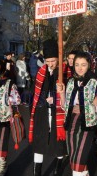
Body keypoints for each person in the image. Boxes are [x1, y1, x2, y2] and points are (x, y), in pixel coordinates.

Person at [57, 52, 97, 176]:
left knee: (79, 157)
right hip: (71, 122)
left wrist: (96, 101)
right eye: (77, 65)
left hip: (87, 123)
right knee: (73, 156)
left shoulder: (95, 83)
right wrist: (62, 93)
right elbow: (64, 106)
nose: (80, 68)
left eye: (83, 65)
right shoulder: (70, 81)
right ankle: (84, 172)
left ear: (89, 65)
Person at [29, 39, 67, 176]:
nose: (50, 64)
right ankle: (37, 172)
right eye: (48, 61)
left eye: (53, 61)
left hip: (59, 112)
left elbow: (68, 94)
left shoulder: (65, 72)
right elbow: (34, 92)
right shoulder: (40, 73)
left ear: (58, 59)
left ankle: (58, 167)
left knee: (59, 143)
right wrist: (41, 100)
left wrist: (56, 98)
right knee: (39, 142)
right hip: (42, 111)